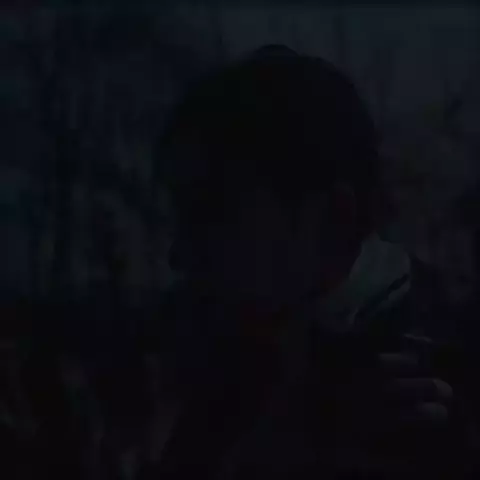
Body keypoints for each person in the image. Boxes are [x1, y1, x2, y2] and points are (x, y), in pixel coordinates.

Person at [144, 46, 476, 479]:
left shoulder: (432, 384)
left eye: (211, 211)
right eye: (182, 213)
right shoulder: (242, 365)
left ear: (334, 218)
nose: (179, 252)